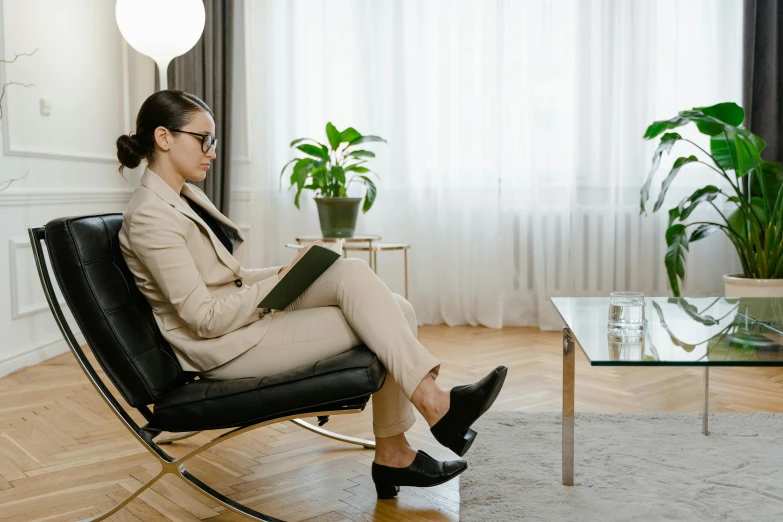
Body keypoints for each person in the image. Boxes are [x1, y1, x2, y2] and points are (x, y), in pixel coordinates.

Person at [116, 90, 507, 499]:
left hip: (240, 324)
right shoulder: (149, 216)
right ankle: (427, 416)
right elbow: (203, 317)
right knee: (388, 311)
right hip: (224, 346)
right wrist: (276, 286)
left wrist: (285, 273)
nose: (212, 152)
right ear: (164, 137)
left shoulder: (183, 196)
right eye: (204, 139)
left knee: (380, 294)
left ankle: (399, 448)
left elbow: (225, 279)